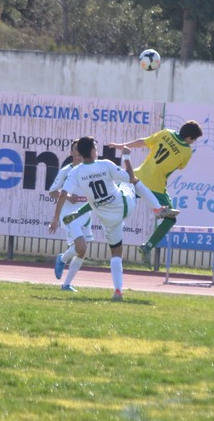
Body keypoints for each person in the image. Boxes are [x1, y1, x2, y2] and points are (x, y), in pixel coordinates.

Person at [48, 136, 140, 301]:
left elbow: (90, 200)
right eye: (95, 148)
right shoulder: (97, 166)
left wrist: (60, 216)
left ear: (80, 152)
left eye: (77, 149)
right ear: (91, 151)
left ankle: (68, 280)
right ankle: (157, 207)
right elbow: (57, 192)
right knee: (83, 248)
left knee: (90, 250)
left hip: (97, 215)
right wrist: (126, 156)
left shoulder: (79, 171)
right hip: (117, 208)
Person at [110, 120, 204, 266]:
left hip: (136, 178)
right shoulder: (187, 151)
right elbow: (180, 167)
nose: (192, 142)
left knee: (111, 198)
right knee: (170, 219)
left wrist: (123, 145)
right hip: (156, 187)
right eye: (193, 140)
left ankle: (82, 213)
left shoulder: (166, 133)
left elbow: (143, 142)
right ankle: (147, 246)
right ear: (189, 138)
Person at [48, 142, 93, 292]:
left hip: (85, 213)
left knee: (82, 251)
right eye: (76, 149)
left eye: (81, 148)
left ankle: (66, 284)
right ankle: (62, 258)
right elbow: (52, 191)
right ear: (71, 152)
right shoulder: (66, 171)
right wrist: (67, 196)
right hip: (69, 214)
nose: (79, 151)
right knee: (81, 247)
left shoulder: (90, 169)